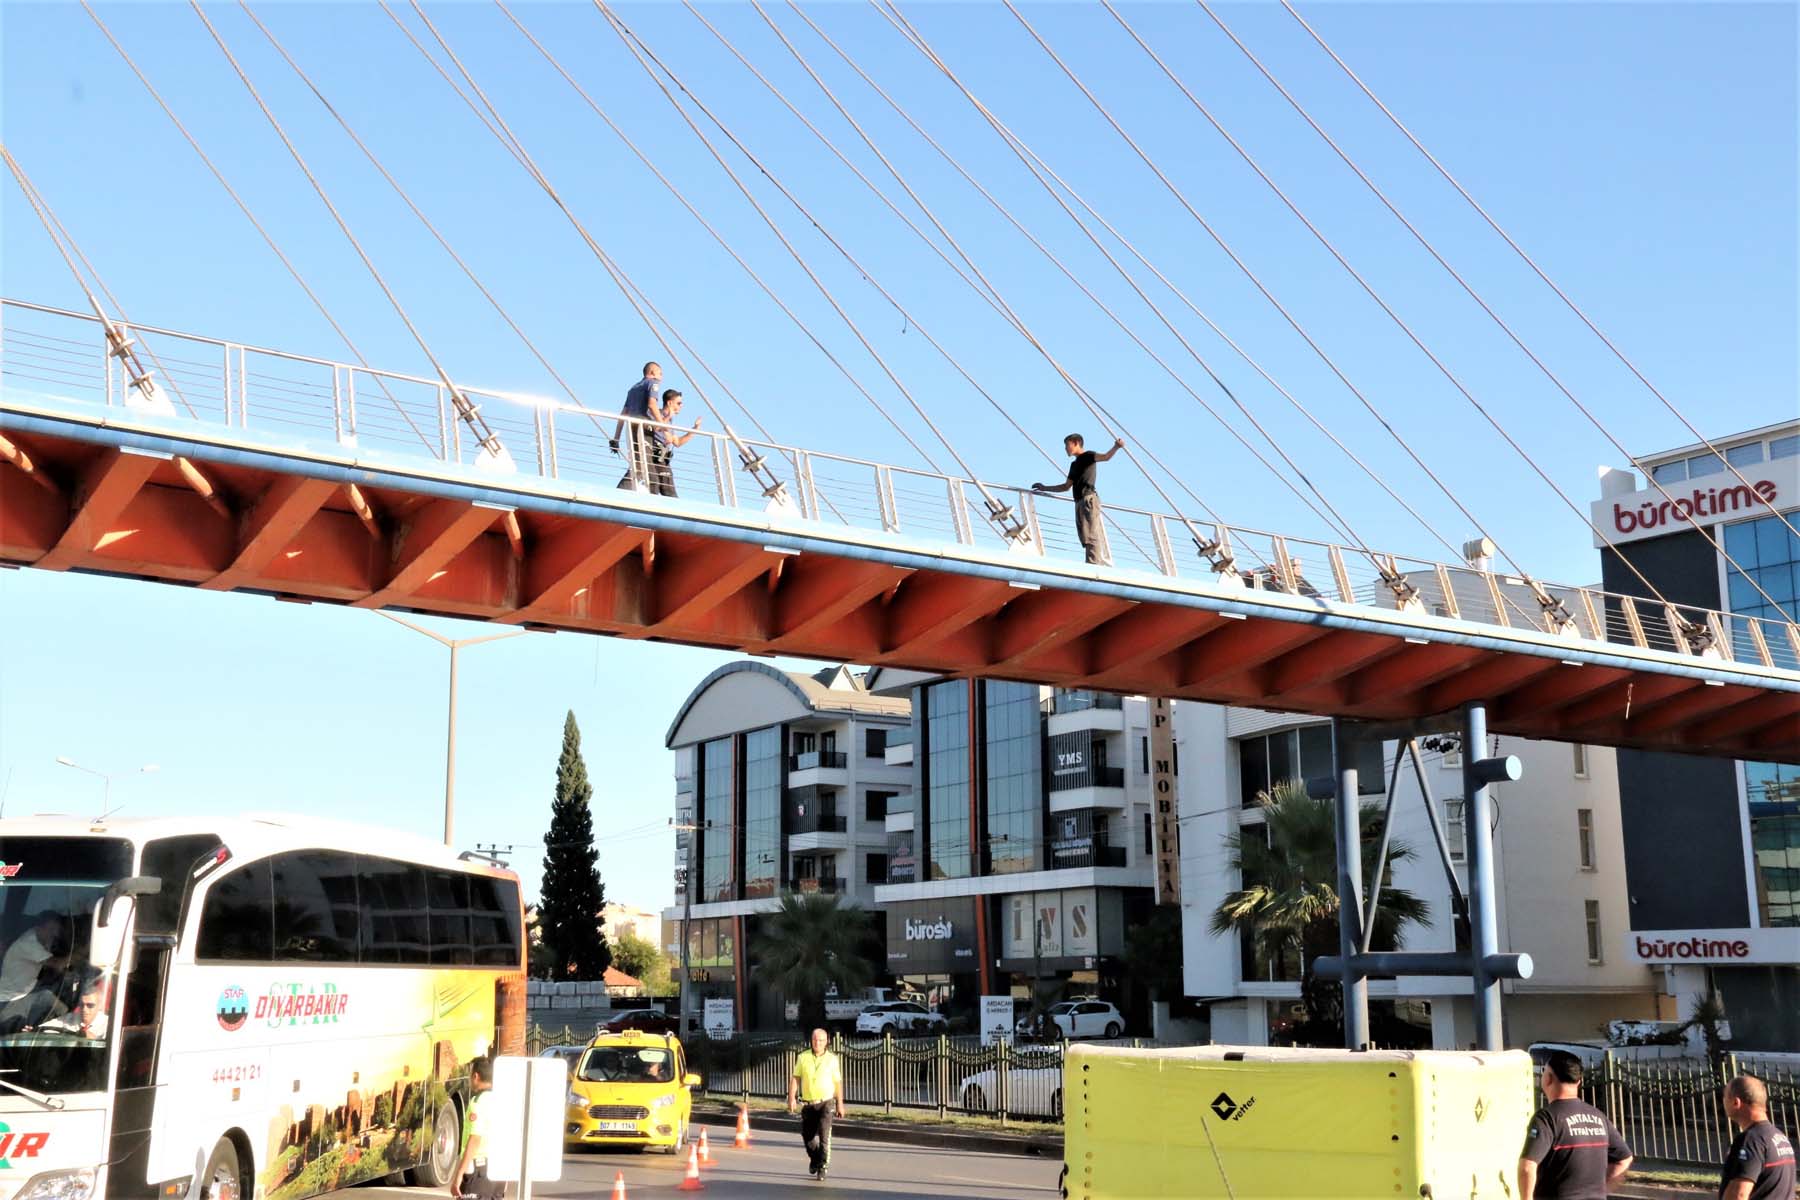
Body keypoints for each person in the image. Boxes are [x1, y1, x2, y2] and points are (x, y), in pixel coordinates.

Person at [1517, 1051, 1633, 1199]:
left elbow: (1527, 1167)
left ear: (1548, 1079)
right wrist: (1601, 1190)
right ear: (1579, 1082)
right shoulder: (1598, 1116)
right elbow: (1624, 1159)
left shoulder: (1547, 1118)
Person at [1031, 433, 1124, 567]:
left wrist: (1116, 447)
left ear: (1076, 443)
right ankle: (1091, 563)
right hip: (1079, 502)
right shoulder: (1074, 465)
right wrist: (1044, 488)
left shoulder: (1089, 456)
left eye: (1067, 445)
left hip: (1088, 499)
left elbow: (1106, 457)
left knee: (1091, 534)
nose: (1065, 449)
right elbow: (1066, 486)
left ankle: (1094, 565)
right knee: (1085, 536)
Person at [1719, 1074, 1795, 1200]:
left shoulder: (1750, 1141)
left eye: (1725, 1096)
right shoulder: (1779, 1137)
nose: (1723, 1101)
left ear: (1736, 1102)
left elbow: (1739, 1195)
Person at [786, 1027, 845, 1181]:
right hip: (809, 1104)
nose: (817, 1043)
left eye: (821, 1040)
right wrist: (791, 1097)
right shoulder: (803, 1057)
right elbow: (796, 1078)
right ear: (811, 1041)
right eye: (814, 1040)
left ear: (827, 1042)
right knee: (808, 1137)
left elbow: (837, 1083)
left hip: (826, 1102)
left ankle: (822, 1166)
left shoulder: (832, 1059)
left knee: (825, 1137)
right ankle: (815, 1158)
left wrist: (840, 1104)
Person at [451, 1056, 504, 1200]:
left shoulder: (478, 1103)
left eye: (470, 1075)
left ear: (476, 1076)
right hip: (497, 1171)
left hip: (478, 1173)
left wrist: (459, 1173)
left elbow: (475, 1139)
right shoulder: (501, 1100)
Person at [610, 362, 664, 490]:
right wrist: (661, 423)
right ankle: (621, 493)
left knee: (639, 465)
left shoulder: (633, 389)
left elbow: (623, 414)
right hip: (644, 427)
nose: (661, 377)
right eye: (660, 373)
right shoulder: (653, 383)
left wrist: (616, 438)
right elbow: (652, 404)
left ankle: (621, 492)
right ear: (652, 373)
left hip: (632, 427)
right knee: (645, 470)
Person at [0, 913, 69, 1001]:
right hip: (11, 997)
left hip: (25, 992)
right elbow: (57, 964)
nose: (55, 934)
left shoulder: (39, 938)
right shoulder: (28, 944)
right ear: (39, 927)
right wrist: (80, 954)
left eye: (56, 930)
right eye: (51, 929)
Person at [647, 389, 703, 499]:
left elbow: (677, 442)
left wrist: (694, 429)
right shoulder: (656, 415)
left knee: (667, 492)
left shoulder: (670, 421)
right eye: (678, 403)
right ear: (669, 403)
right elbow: (656, 427)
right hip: (655, 458)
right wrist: (667, 417)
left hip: (663, 460)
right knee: (666, 492)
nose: (681, 406)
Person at [39, 983, 107, 1038]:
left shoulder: (109, 1026)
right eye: (81, 1005)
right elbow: (46, 1028)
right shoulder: (71, 1018)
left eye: (90, 1005)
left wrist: (95, 1040)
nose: (84, 1009)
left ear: (100, 1006)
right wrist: (33, 1030)